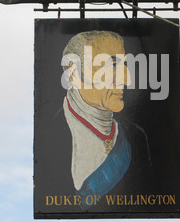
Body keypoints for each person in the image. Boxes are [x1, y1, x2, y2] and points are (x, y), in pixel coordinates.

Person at [61, 30, 151, 209]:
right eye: (112, 65)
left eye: (124, 65)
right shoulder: (49, 133)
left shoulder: (137, 138)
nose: (126, 79)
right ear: (74, 73)